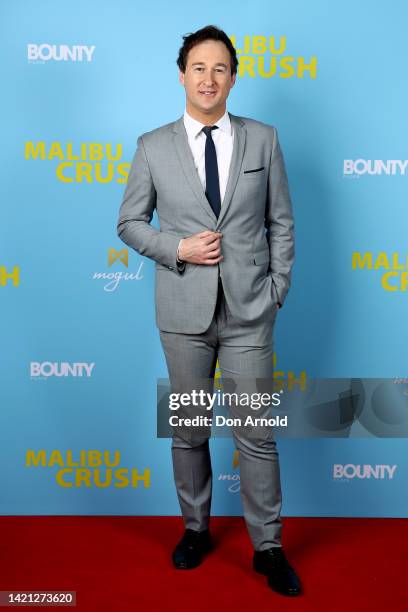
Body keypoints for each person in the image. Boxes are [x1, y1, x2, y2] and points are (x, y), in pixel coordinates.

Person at [117, 25, 301, 597]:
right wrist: (177, 248)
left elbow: (281, 222)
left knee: (257, 437)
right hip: (183, 314)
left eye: (220, 68)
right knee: (190, 432)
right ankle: (195, 529)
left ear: (233, 77)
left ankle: (267, 547)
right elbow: (128, 224)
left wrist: (276, 289)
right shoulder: (152, 145)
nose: (209, 78)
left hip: (251, 313)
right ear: (182, 74)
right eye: (199, 68)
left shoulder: (264, 139)